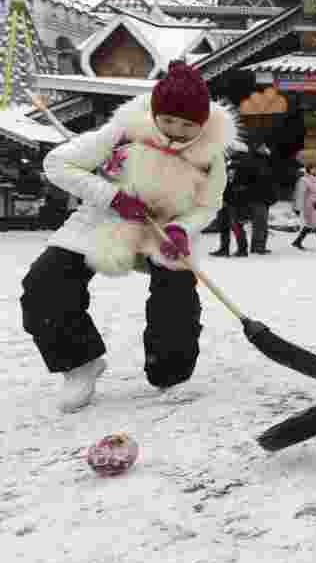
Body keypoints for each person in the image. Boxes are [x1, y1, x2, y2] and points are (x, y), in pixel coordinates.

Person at [20, 61, 237, 412]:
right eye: (167, 121)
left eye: (187, 125)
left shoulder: (211, 156)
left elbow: (208, 205)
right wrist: (113, 197)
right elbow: (57, 164)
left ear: (203, 122)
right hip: (103, 217)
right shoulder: (123, 131)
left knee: (176, 299)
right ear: (153, 112)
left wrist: (182, 229)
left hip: (167, 228)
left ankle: (170, 372)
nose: (176, 131)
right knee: (44, 284)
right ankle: (79, 363)